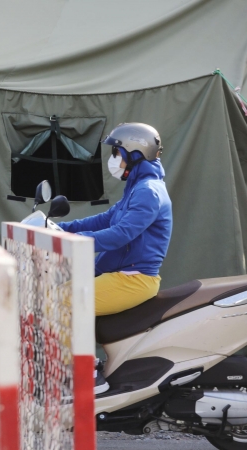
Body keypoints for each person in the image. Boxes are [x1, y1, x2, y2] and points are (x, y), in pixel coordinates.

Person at [57, 122, 172, 394]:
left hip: (133, 279)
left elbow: (121, 234)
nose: (113, 159)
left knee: (61, 302)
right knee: (60, 294)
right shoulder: (137, 187)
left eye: (116, 153)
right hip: (119, 274)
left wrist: (72, 241)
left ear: (134, 153)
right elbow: (106, 219)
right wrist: (61, 228)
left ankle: (87, 376)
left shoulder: (149, 192)